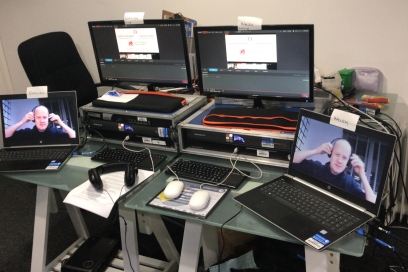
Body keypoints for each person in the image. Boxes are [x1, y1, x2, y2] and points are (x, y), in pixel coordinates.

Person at [292, 138, 376, 203]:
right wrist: (316, 151)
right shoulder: (316, 168)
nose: (339, 161)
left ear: (348, 162)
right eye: (337, 154)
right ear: (330, 154)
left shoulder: (349, 182)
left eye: (344, 158)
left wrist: (362, 174)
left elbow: (372, 203)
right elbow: (291, 158)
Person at [5, 105, 76, 139]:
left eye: (44, 117)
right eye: (38, 117)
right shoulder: (27, 132)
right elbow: (6, 134)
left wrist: (61, 123)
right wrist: (22, 122)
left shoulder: (56, 132)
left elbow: (74, 136)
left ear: (48, 119)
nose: (42, 121)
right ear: (33, 119)